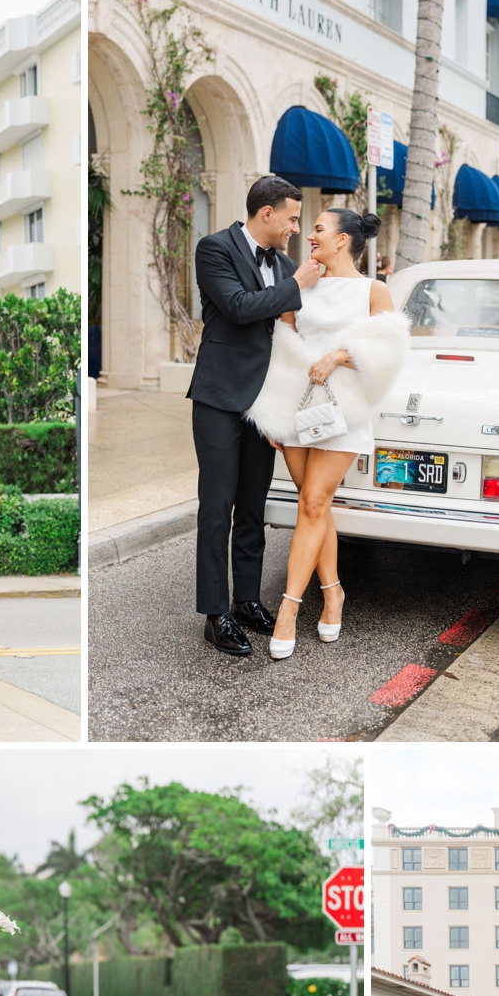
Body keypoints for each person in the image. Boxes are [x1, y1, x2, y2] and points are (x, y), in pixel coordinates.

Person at [245, 207, 405, 659]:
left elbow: (388, 355)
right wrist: (271, 412)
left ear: (342, 240)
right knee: (315, 506)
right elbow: (282, 348)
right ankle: (333, 592)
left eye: (318, 229)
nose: (309, 235)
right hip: (298, 410)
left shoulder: (374, 291)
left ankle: (289, 610)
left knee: (313, 504)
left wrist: (338, 356)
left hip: (345, 413)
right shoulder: (301, 284)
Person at [188, 176, 325, 657]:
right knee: (217, 507)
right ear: (265, 213)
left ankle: (247, 601)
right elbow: (239, 308)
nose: (295, 227)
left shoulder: (286, 264)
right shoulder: (214, 249)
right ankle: (215, 613)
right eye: (291, 217)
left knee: (252, 508)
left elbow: (291, 337)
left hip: (263, 406)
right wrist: (296, 285)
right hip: (220, 397)